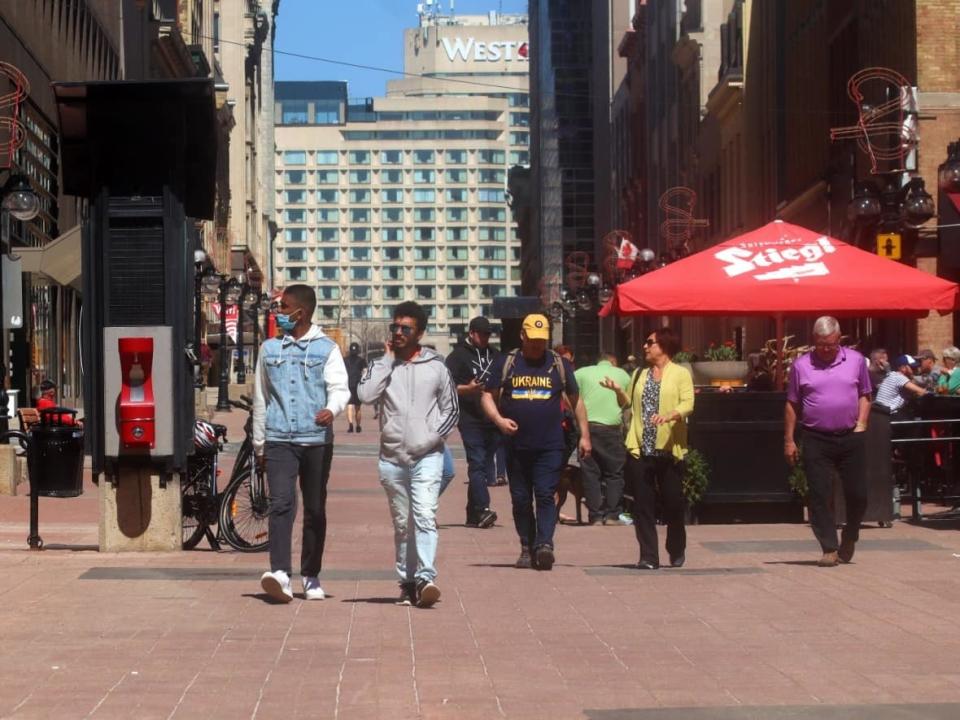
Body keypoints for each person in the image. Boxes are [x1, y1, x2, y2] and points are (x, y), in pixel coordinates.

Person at [358, 301, 459, 608]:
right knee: (403, 524)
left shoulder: (437, 366)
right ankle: (407, 582)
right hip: (391, 459)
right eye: (395, 327)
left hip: (427, 456)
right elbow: (365, 395)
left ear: (420, 332)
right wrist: (386, 361)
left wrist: (428, 439)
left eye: (406, 328)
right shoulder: (382, 365)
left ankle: (427, 578)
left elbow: (450, 410)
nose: (399, 333)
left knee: (425, 515)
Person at [253, 284, 350, 602]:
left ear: (301, 312)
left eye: (283, 308)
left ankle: (311, 575)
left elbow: (340, 388)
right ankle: (280, 573)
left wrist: (331, 409)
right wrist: (260, 444)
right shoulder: (269, 350)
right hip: (279, 438)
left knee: (315, 509)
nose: (278, 313)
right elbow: (260, 398)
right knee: (280, 504)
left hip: (316, 440)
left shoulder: (326, 349)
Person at [481, 314, 591, 571]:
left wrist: (585, 435)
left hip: (550, 445)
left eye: (542, 341)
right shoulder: (506, 362)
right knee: (520, 499)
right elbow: (487, 395)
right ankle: (526, 547)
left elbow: (576, 400)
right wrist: (498, 420)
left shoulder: (558, 364)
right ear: (523, 336)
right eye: (533, 340)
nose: (537, 346)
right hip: (515, 446)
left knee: (544, 495)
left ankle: (544, 545)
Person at [784, 316, 871, 567]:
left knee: (858, 495)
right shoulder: (801, 366)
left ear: (839, 339)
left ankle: (851, 535)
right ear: (814, 341)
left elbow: (865, 395)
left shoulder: (855, 361)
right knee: (819, 494)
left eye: (831, 344)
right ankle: (829, 548)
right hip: (816, 437)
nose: (826, 349)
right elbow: (792, 404)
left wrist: (862, 423)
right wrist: (789, 440)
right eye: (822, 344)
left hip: (850, 436)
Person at [604, 328, 694, 569]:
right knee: (643, 505)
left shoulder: (680, 373)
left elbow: (688, 403)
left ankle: (676, 548)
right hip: (640, 448)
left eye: (649, 342)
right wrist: (618, 391)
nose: (645, 346)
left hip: (668, 448)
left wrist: (670, 416)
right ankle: (648, 557)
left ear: (664, 346)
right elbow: (628, 405)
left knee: (673, 503)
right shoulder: (639, 374)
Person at [444, 316, 500, 528]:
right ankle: (483, 508)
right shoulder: (457, 356)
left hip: (492, 417)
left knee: (484, 465)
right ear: (472, 333)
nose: (486, 337)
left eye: (489, 334)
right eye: (482, 333)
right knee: (476, 462)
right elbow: (447, 387)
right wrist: (468, 389)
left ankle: (472, 513)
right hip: (469, 417)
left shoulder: (495, 355)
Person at [574, 352, 632, 524]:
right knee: (614, 473)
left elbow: (567, 394)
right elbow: (627, 402)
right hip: (611, 429)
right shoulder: (622, 374)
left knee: (590, 473)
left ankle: (595, 515)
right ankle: (613, 514)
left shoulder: (581, 373)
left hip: (587, 428)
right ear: (612, 362)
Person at [343, 342, 367, 433]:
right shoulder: (361, 360)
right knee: (358, 407)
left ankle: (350, 424)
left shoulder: (345, 360)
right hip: (357, 385)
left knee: (349, 406)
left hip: (347, 384)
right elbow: (365, 371)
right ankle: (358, 426)